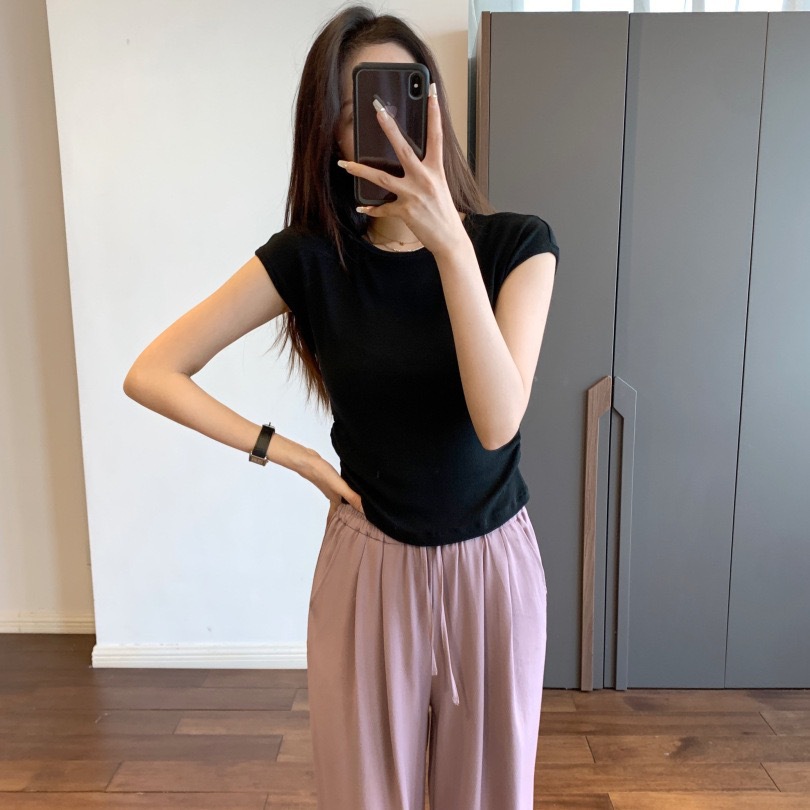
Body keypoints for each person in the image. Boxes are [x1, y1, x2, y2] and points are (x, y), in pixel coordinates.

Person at [123, 4, 558, 809]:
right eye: (365, 107)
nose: (390, 128)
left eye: (407, 99)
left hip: (491, 570)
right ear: (330, 131)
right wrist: (293, 455)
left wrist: (448, 244)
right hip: (369, 565)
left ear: (435, 111)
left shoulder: (516, 247)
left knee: (492, 796)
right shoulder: (311, 259)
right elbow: (153, 371)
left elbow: (498, 421)